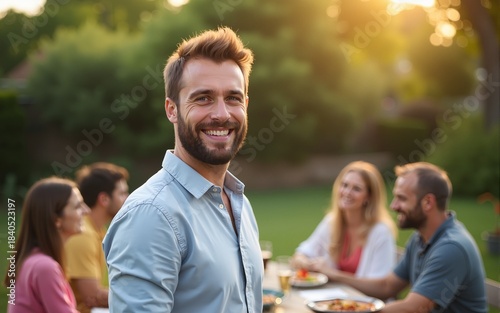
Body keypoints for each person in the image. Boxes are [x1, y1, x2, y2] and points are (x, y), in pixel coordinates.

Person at [103, 27, 263, 312]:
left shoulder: (239, 202)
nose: (222, 114)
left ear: (246, 105)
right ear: (172, 109)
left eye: (233, 98)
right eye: (203, 98)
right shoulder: (151, 215)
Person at [313, 162, 487, 312]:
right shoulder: (420, 239)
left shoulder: (451, 247)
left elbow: (413, 309)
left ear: (428, 202)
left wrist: (350, 310)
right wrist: (335, 277)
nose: (393, 205)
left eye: (401, 198)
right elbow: (387, 286)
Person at [292, 161, 398, 279]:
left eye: (356, 189)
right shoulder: (332, 222)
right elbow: (304, 252)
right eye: (344, 185)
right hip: (334, 296)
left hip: (365, 298)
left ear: (369, 197)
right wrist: (304, 262)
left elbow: (380, 286)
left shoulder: (381, 232)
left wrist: (332, 274)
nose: (347, 192)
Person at [4, 177, 89, 313]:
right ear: (56, 219)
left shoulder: (33, 260)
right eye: (78, 206)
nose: (86, 211)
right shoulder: (44, 267)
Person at [65, 162, 129, 313]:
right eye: (122, 193)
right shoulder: (84, 235)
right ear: (104, 199)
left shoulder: (98, 230)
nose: (128, 199)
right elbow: (93, 297)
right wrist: (146, 296)